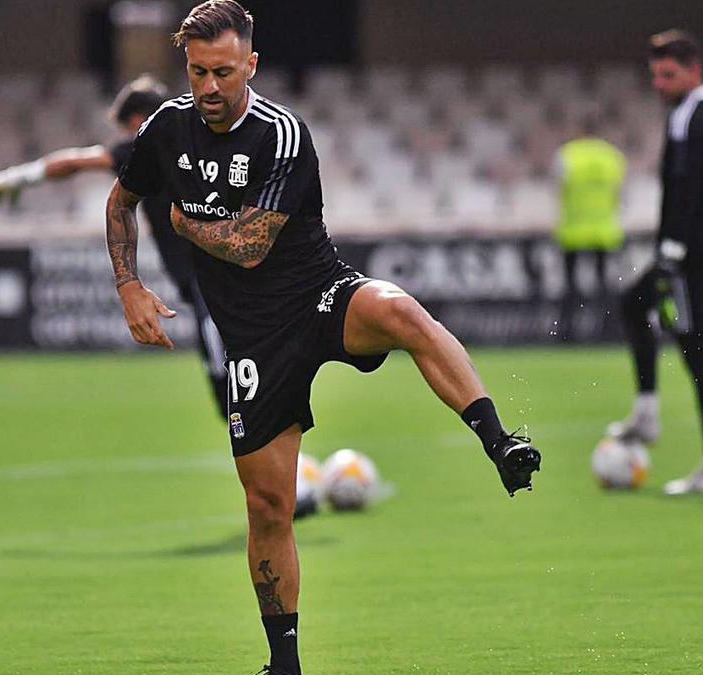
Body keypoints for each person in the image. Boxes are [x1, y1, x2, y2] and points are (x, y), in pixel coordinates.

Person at [104, 2, 542, 673]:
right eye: (198, 72)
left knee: (403, 314)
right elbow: (121, 200)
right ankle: (285, 663)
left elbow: (249, 245)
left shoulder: (281, 134)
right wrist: (129, 285)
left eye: (224, 71)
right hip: (252, 338)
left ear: (251, 64)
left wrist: (188, 227)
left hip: (318, 297)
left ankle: (498, 439)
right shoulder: (167, 127)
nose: (210, 86)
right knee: (268, 506)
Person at [0, 75, 230, 419]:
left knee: (226, 372)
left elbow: (75, 162)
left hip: (211, 277)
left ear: (137, 120)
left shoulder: (147, 144)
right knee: (228, 371)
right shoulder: (202, 139)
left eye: (126, 127)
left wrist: (17, 178)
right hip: (221, 268)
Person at [611, 30, 703, 495]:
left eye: (668, 75)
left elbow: (690, 188)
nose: (659, 84)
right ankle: (656, 418)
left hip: (686, 259)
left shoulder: (694, 118)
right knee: (644, 311)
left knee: (697, 354)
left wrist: (671, 251)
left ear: (694, 71)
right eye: (656, 75)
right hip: (698, 254)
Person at [553, 118, 627, 342]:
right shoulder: (612, 157)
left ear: (580, 130)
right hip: (604, 229)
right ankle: (607, 329)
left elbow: (559, 189)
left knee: (570, 284)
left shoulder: (568, 155)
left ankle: (568, 331)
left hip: (573, 229)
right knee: (603, 282)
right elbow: (619, 193)